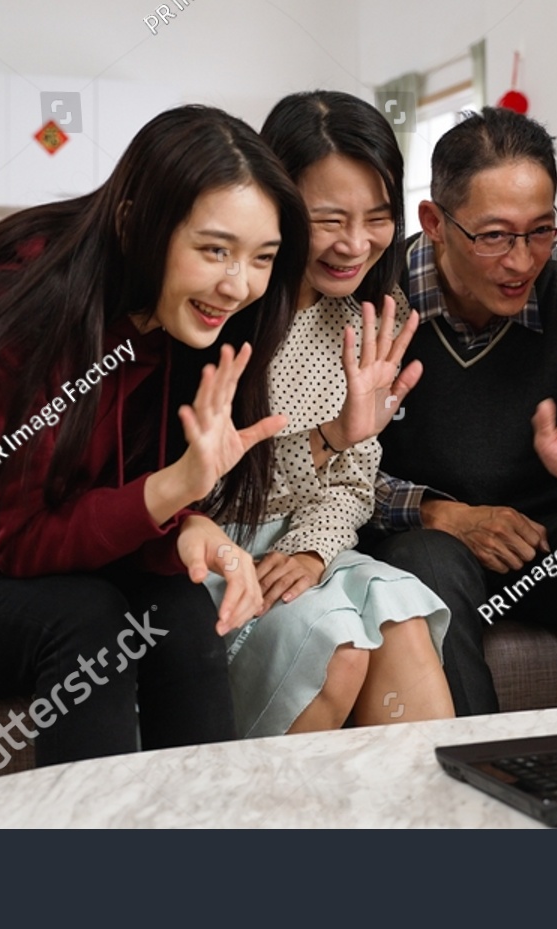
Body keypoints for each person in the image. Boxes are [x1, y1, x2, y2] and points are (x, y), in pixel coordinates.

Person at [0, 105, 310, 774]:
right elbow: (16, 539)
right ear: (136, 221)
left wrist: (190, 523)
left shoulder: (185, 324)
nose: (238, 285)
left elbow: (101, 484)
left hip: (32, 578)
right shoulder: (13, 313)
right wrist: (176, 489)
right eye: (214, 249)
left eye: (261, 259)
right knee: (87, 616)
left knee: (181, 612)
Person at [363, 106, 557, 716]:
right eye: (493, 236)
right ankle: (481, 775)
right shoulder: (372, 298)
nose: (522, 261)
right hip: (426, 538)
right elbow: (330, 467)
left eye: (542, 230)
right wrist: (438, 512)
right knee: (425, 566)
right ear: (435, 222)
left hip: (549, 537)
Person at [205, 90, 454, 736]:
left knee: (399, 620)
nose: (355, 243)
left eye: (376, 217)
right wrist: (326, 437)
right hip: (208, 550)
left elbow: (353, 479)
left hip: (308, 543)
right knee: (338, 650)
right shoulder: (221, 307)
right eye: (328, 219)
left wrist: (312, 549)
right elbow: (206, 485)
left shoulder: (371, 313)